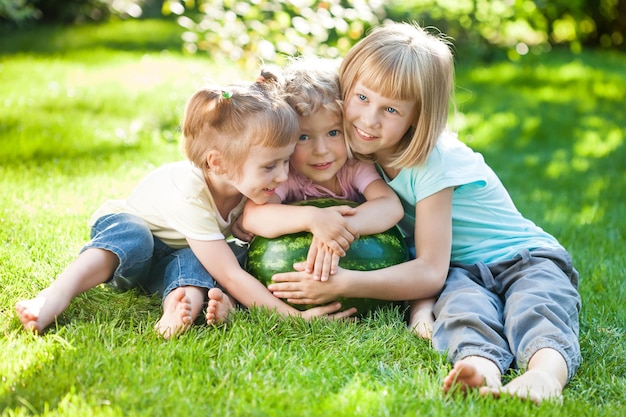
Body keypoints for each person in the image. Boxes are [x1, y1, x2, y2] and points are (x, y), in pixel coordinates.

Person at [267, 22, 581, 404]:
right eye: (362, 98)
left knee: (535, 308)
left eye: (391, 109)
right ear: (345, 90)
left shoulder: (434, 161)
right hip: (459, 271)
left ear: (418, 116)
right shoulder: (353, 157)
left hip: (524, 259)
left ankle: (544, 377)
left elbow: (429, 271)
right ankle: (481, 369)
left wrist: (343, 283)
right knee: (463, 312)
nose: (369, 119)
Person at [15, 76, 355, 339]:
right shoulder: (188, 192)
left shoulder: (249, 184)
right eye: (271, 167)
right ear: (218, 164)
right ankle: (56, 295)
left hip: (175, 254)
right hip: (127, 244)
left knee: (210, 257)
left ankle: (179, 308)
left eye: (285, 162)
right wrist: (292, 317)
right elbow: (229, 274)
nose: (283, 176)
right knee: (136, 238)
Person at [242, 57, 405, 287]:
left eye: (333, 133)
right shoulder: (287, 176)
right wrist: (312, 219)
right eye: (304, 137)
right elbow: (252, 216)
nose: (321, 150)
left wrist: (340, 227)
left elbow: (389, 205)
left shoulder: (353, 166)